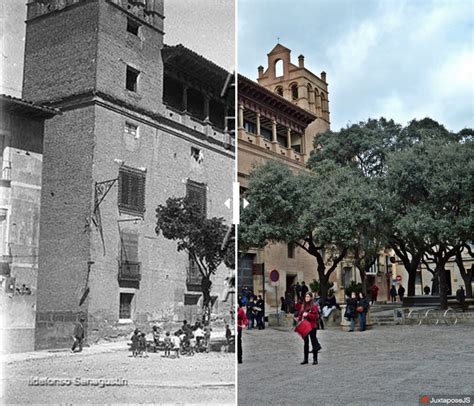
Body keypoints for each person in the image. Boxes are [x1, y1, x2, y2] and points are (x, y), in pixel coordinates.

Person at [296, 292, 322, 365]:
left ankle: (315, 359)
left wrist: (308, 314)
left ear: (311, 298)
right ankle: (305, 359)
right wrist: (299, 319)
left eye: (308, 296)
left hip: (312, 326)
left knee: (313, 342)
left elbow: (315, 317)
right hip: (304, 326)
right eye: (306, 296)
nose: (306, 298)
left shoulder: (314, 306)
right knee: (306, 343)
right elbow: (300, 315)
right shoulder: (303, 305)